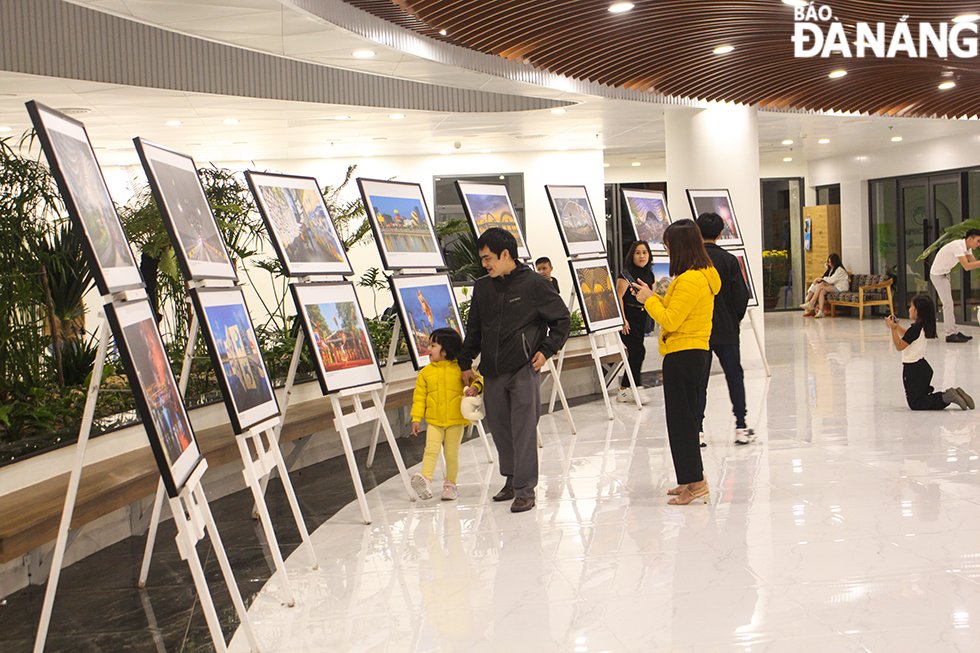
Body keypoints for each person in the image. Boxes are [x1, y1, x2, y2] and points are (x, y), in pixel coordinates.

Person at [459, 228, 570, 513]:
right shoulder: (484, 287)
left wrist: (545, 351)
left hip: (523, 369)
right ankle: (510, 479)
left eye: (488, 258)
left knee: (523, 431)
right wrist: (465, 362)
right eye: (483, 259)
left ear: (505, 254)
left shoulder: (534, 284)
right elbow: (474, 328)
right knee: (500, 429)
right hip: (492, 371)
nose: (485, 264)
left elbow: (562, 320)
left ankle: (525, 489)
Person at [632, 220, 720, 506]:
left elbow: (670, 319)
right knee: (681, 421)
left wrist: (648, 300)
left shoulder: (692, 279)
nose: (667, 251)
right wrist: (653, 295)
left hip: (685, 354)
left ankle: (696, 483)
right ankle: (689, 479)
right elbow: (672, 308)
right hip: (686, 353)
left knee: (683, 422)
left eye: (669, 246)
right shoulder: (693, 277)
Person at [695, 213, 753, 447]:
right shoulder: (730, 260)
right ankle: (740, 425)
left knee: (700, 380)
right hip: (727, 329)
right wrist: (734, 318)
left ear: (698, 233)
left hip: (700, 329)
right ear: (721, 234)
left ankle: (697, 430)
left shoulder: (694, 261)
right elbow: (742, 296)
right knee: (734, 375)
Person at [410, 328, 483, 501]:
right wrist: (416, 418)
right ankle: (425, 480)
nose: (429, 349)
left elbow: (479, 380)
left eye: (433, 345)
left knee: (451, 454)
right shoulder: (425, 373)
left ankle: (450, 485)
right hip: (434, 421)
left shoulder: (461, 369)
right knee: (431, 450)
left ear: (446, 349)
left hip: (456, 421)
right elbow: (419, 398)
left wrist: (474, 388)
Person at [885, 295, 974, 411]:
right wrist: (897, 327)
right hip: (922, 367)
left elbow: (899, 346)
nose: (909, 309)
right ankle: (955, 392)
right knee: (921, 398)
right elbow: (908, 335)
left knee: (916, 403)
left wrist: (892, 329)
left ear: (918, 311)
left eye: (912, 307)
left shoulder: (915, 330)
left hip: (913, 370)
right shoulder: (921, 327)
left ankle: (947, 397)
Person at [615, 240, 655, 402]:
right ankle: (636, 387)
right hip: (628, 317)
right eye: (638, 252)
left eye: (644, 252)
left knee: (636, 352)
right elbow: (618, 297)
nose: (641, 256)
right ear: (632, 255)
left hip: (642, 317)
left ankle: (624, 389)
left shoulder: (649, 274)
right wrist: (623, 319)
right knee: (638, 351)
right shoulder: (626, 274)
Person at [929, 229, 980, 343]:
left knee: (949, 304)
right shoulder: (957, 246)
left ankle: (954, 331)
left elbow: (974, 262)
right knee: (948, 304)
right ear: (970, 239)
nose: (979, 244)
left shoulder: (967, 248)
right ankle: (950, 334)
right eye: (978, 241)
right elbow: (967, 266)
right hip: (938, 275)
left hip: (945, 274)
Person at [800, 253, 848, 318]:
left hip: (841, 288)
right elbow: (830, 277)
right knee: (822, 291)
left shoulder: (839, 270)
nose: (829, 264)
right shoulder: (833, 269)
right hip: (835, 286)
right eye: (829, 262)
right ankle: (820, 311)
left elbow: (831, 280)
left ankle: (811, 303)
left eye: (830, 262)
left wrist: (821, 279)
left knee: (821, 285)